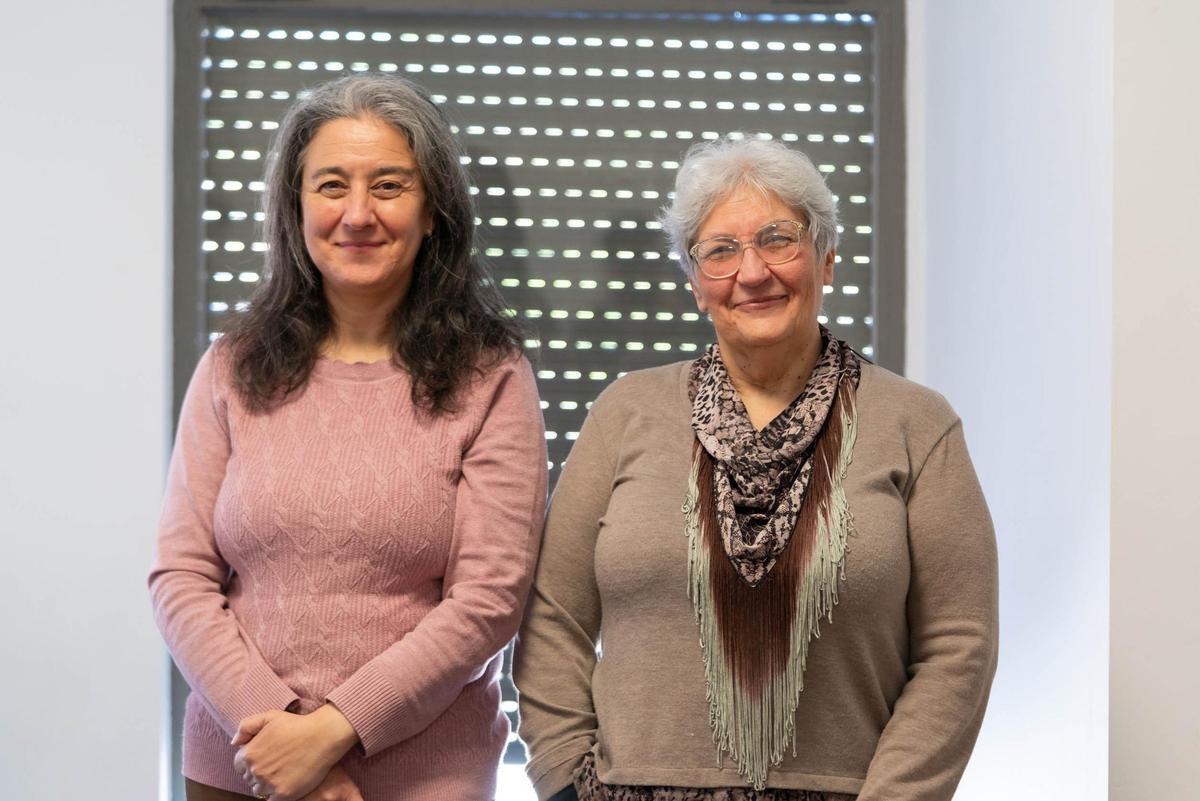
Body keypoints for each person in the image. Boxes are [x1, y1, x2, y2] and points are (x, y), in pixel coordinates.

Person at [514, 136, 999, 801]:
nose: (753, 272)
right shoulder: (624, 412)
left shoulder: (916, 423)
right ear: (694, 283)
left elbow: (958, 646)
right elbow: (552, 617)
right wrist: (566, 780)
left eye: (779, 240)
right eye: (720, 251)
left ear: (826, 259)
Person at [150, 74, 548, 801]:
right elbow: (180, 578)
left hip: (427, 777)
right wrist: (285, 740)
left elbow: (488, 599)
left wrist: (334, 730)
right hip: (242, 767)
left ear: (433, 211)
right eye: (331, 184)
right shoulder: (230, 367)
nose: (357, 213)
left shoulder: (493, 376)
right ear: (296, 206)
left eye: (389, 185)